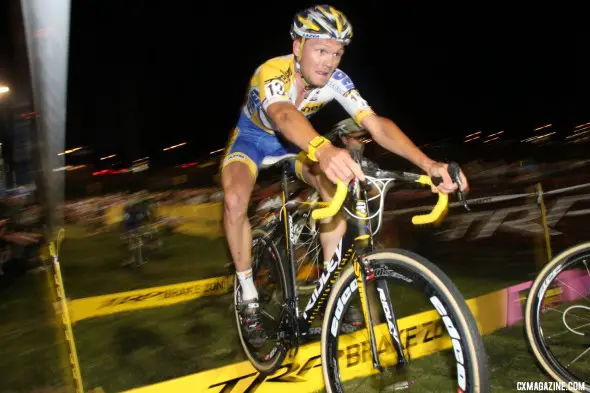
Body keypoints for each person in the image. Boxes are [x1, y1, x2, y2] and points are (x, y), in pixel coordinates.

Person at [220, 4, 469, 347]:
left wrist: (428, 164)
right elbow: (281, 114)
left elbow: (376, 125)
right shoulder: (273, 71)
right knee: (235, 199)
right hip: (253, 141)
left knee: (332, 184)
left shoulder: (338, 81)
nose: (329, 61)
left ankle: (333, 286)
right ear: (298, 47)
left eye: (337, 53)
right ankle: (247, 291)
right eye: (321, 50)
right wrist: (323, 148)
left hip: (295, 146)